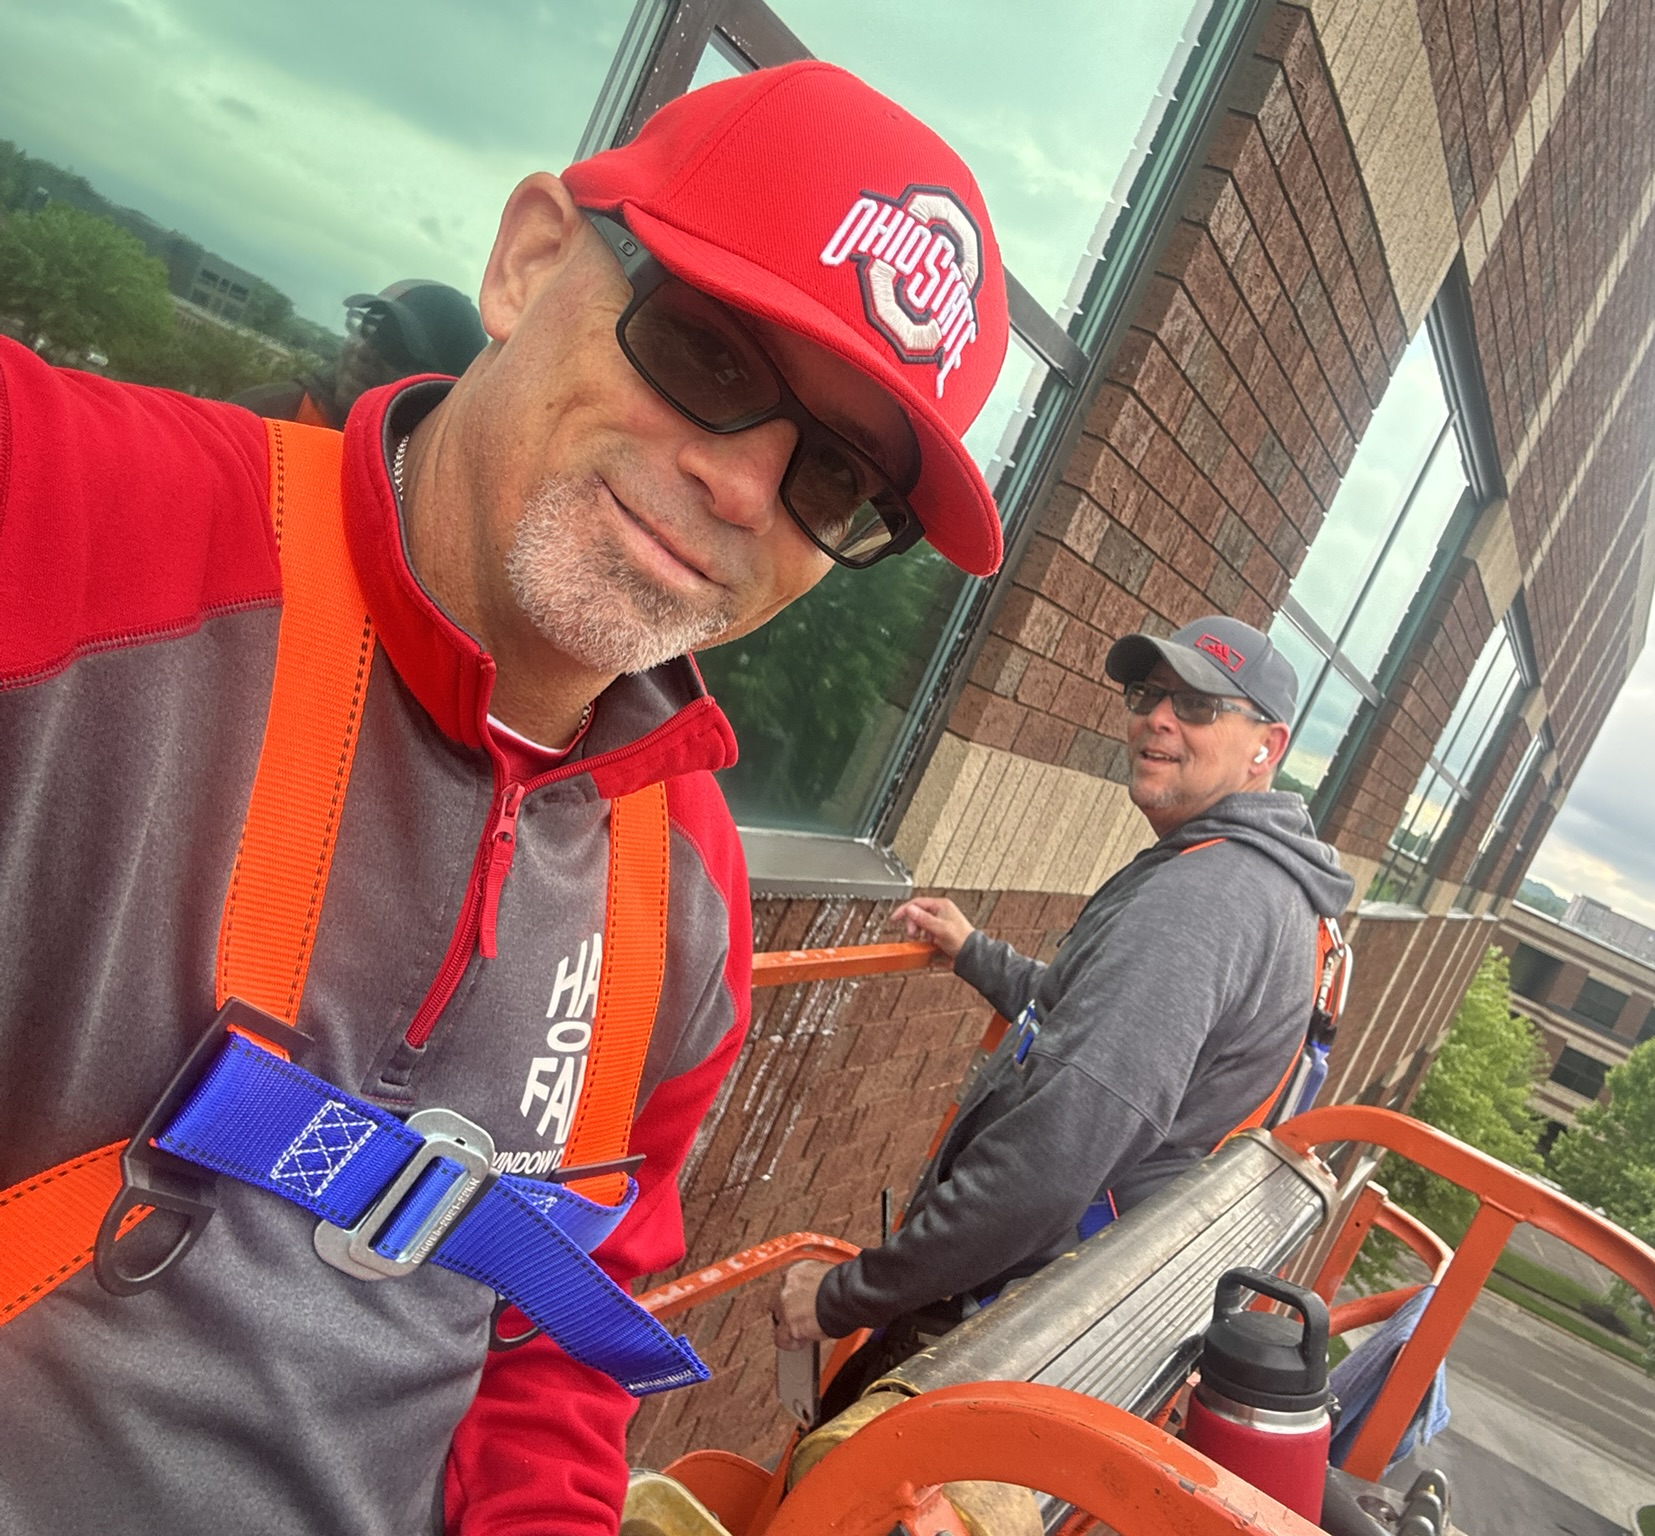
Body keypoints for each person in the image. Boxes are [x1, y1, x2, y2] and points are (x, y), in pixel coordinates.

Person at [0, 60, 1007, 1536]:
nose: (743, 488)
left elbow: (546, 1335)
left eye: (836, 480)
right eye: (712, 355)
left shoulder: (686, 892)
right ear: (528, 261)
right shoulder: (76, 521)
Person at [771, 616, 1356, 1389]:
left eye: (1199, 705)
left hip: (1002, 1330)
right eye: (1148, 694)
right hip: (1072, 1319)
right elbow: (1086, 1022)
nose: (1158, 718)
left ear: (1267, 747)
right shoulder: (1269, 888)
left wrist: (846, 1296)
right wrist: (975, 952)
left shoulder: (1203, 901)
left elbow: (1047, 1162)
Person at [233, 280, 490, 428]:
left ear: (438, 393)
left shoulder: (424, 489)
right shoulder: (265, 420)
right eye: (369, 328)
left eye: (395, 347)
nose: (365, 350)